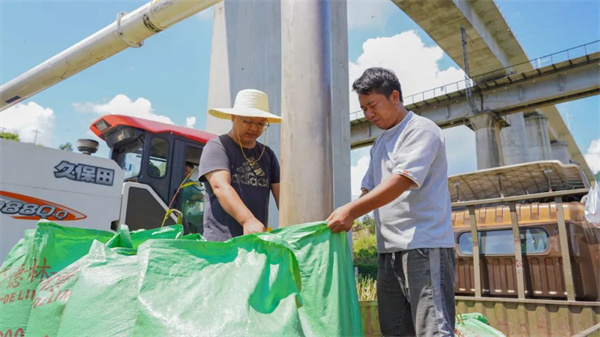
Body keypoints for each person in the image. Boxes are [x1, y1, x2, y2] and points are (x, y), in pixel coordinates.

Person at [327, 67, 456, 336]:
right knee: (395, 329)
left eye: (373, 106)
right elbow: (369, 190)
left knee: (433, 329)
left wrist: (350, 211)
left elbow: (401, 181)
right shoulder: (380, 142)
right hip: (389, 251)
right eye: (364, 109)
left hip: (423, 245)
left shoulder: (421, 131)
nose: (369, 115)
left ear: (394, 96)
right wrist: (342, 217)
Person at [198, 89, 281, 241]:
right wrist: (248, 220)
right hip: (222, 244)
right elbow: (221, 187)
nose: (254, 129)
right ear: (233, 117)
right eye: (248, 122)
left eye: (261, 124)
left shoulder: (267, 154)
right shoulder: (217, 147)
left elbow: (283, 196)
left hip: (254, 240)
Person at [181, 162, 204, 234]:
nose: (187, 174)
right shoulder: (175, 181)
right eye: (185, 171)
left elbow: (201, 195)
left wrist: (194, 198)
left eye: (189, 172)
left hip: (183, 214)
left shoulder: (190, 183)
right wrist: (191, 197)